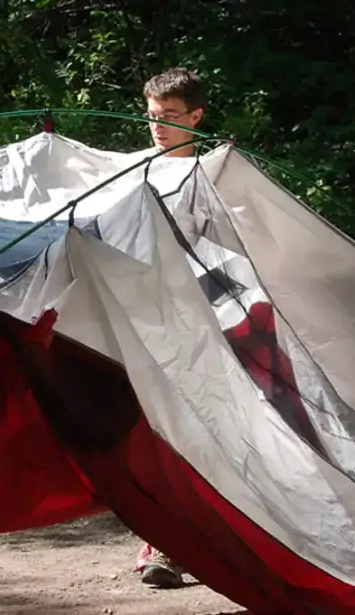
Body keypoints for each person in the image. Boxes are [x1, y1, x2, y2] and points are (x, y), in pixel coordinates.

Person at [131, 66, 206, 590]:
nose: (158, 126)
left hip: (202, 323)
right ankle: (163, 540)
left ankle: (179, 544)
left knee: (198, 431)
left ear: (196, 118)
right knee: (152, 432)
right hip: (143, 319)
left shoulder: (213, 173)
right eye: (152, 116)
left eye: (170, 117)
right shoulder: (130, 172)